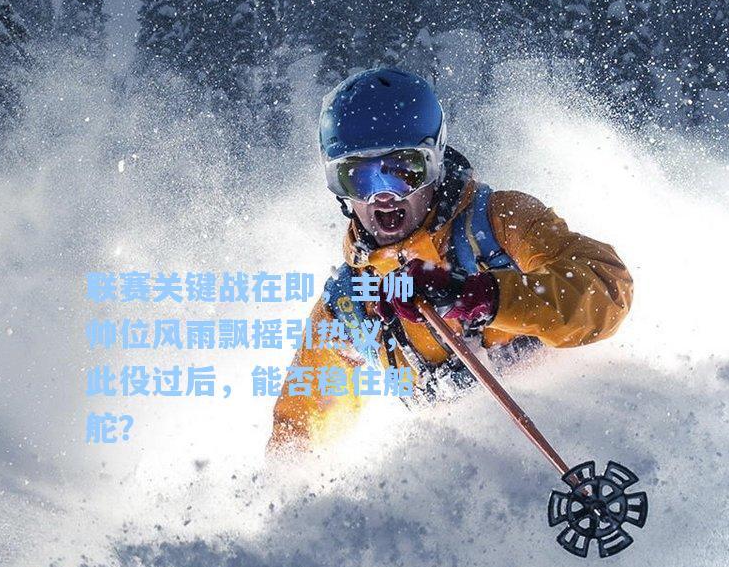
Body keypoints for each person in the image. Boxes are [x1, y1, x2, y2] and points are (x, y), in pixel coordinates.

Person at [267, 67, 633, 453]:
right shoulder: (351, 305)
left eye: (403, 170)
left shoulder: (498, 226)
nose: (382, 197)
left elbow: (608, 289)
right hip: (476, 478)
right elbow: (297, 433)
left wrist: (483, 296)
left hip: (577, 443)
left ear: (435, 162)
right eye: (357, 177)